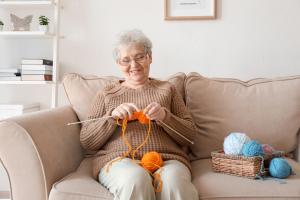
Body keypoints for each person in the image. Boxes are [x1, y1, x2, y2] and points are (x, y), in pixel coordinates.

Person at [80, 29, 199, 200]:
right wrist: (112, 118)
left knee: (174, 182)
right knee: (136, 178)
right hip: (119, 160)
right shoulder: (106, 94)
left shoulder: (168, 89)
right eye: (125, 60)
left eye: (140, 57)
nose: (134, 65)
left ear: (150, 57)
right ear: (118, 64)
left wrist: (165, 117)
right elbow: (87, 141)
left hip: (167, 160)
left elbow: (190, 136)